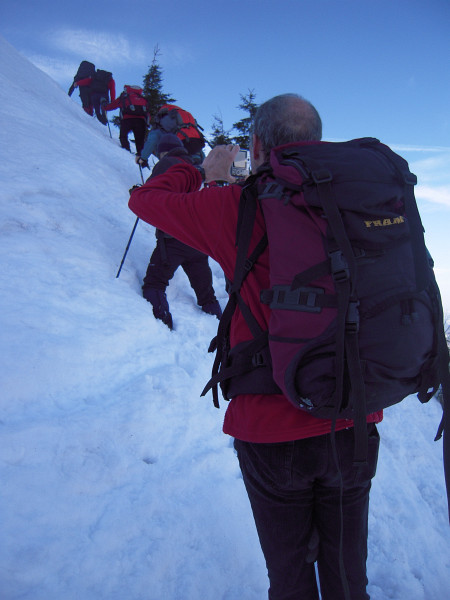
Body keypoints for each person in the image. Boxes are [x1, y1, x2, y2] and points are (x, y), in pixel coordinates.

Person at [129, 94, 382, 599]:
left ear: (259, 145)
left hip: (270, 429)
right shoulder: (354, 201)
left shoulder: (235, 206)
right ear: (316, 138)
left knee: (290, 577)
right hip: (351, 418)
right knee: (348, 575)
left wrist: (200, 170)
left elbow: (145, 201)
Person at [141, 133, 222, 330]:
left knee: (154, 284)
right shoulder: (196, 166)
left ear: (163, 151)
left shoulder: (167, 163)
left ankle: (163, 330)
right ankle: (222, 327)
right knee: (207, 294)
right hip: (199, 239)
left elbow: (150, 190)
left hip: (174, 238)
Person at [104, 85, 149, 154]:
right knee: (140, 140)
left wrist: (105, 107)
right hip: (141, 121)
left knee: (123, 136)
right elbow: (147, 113)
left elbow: (113, 105)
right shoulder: (143, 99)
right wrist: (147, 123)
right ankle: (141, 157)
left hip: (127, 119)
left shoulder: (125, 97)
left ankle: (126, 152)